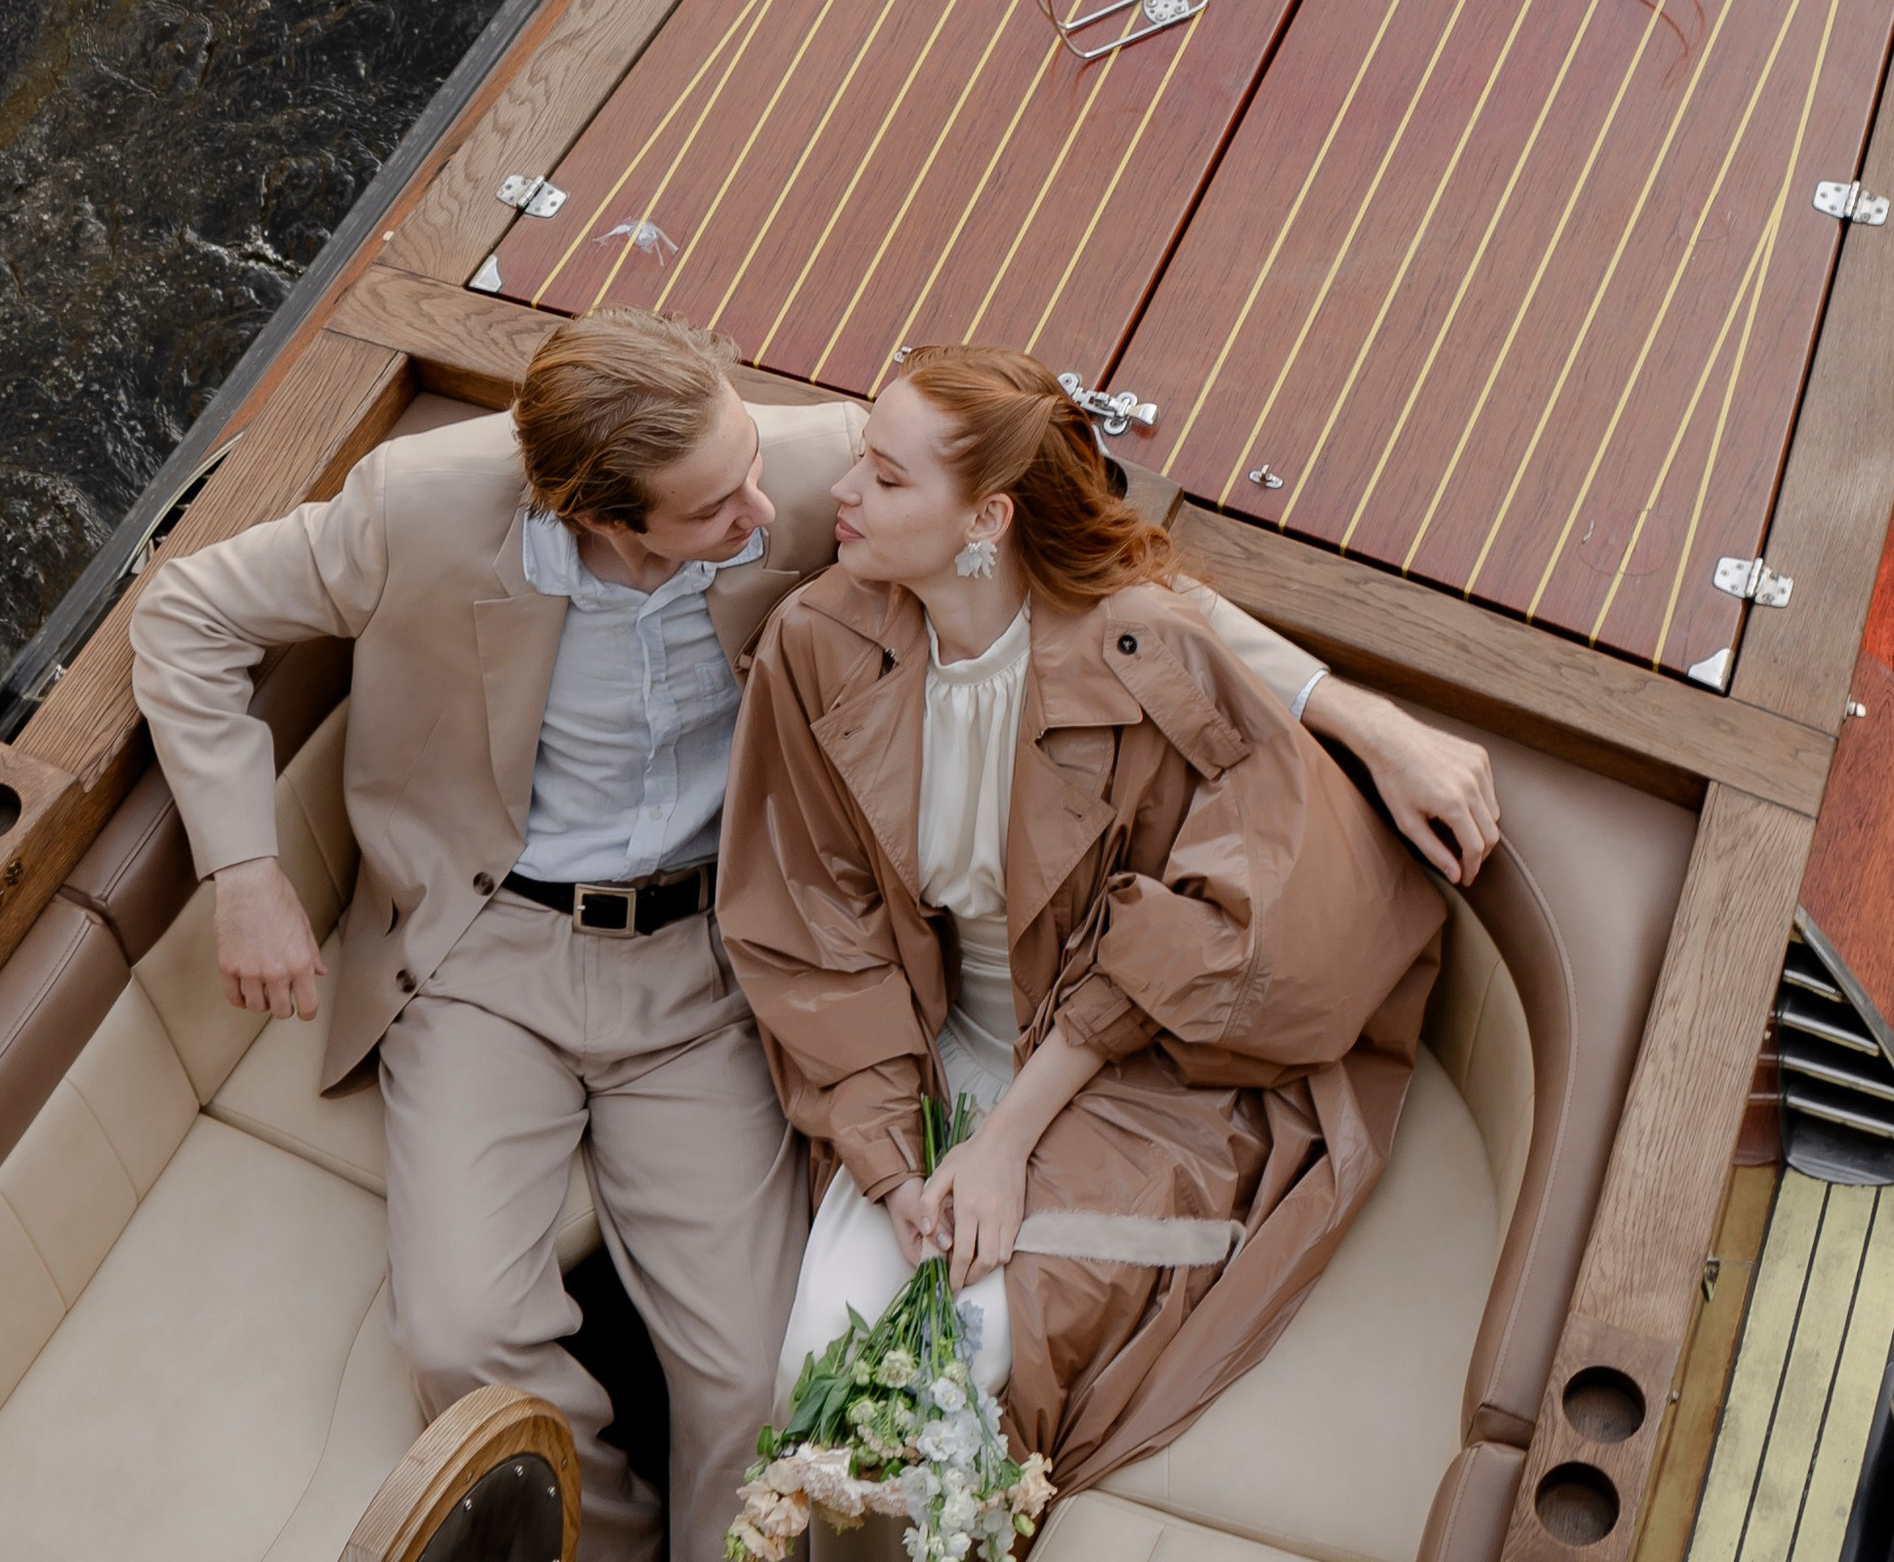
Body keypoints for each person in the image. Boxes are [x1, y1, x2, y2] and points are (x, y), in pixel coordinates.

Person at [130, 314, 1496, 1562]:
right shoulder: (420, 509)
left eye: (757, 467)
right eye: (717, 507)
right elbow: (184, 616)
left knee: (744, 1369)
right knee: (465, 1335)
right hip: (486, 954)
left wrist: (1369, 723)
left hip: (716, 960)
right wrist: (244, 868)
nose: (772, 508)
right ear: (600, 517)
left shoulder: (816, 474)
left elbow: (1107, 585)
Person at [719, 346, 1454, 1495]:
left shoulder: (1144, 657)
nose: (841, 496)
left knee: (969, 1361)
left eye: (885, 477)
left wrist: (1005, 1141)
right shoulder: (819, 642)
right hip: (923, 1049)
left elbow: (1196, 933)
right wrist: (888, 1166)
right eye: (857, 460)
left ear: (988, 518)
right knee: (818, 1361)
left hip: (1122, 1064)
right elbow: (817, 930)